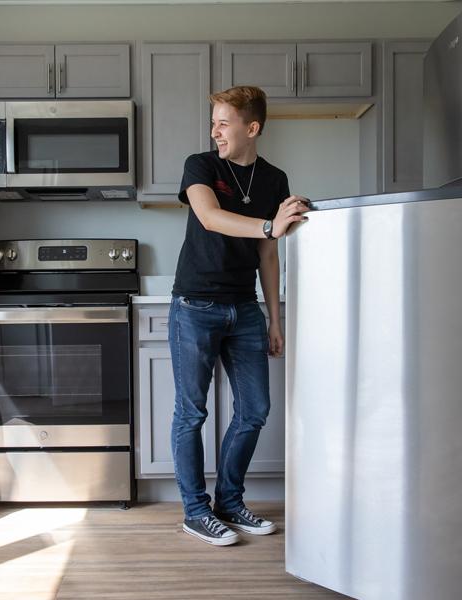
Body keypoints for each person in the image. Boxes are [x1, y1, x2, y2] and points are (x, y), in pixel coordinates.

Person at [170, 86, 310, 546]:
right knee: (191, 413)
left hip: (244, 308)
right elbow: (209, 217)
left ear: (252, 128)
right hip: (195, 305)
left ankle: (228, 502)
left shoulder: (274, 178)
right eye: (213, 121)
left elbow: (268, 254)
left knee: (255, 410)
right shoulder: (202, 165)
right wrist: (271, 224)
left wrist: (274, 318)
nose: (215, 130)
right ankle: (195, 511)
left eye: (224, 122)